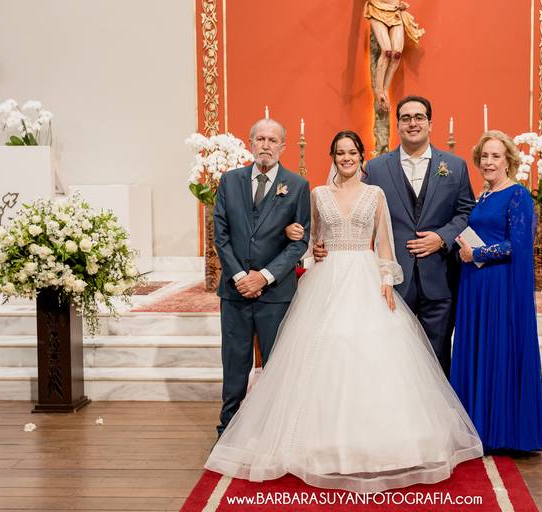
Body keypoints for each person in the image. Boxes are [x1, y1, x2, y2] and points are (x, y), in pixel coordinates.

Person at [205, 131, 482, 493]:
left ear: (361, 156)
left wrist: (387, 279)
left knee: (371, 351)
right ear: (333, 157)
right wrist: (302, 240)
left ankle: (379, 439)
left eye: (352, 152)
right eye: (340, 153)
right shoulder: (318, 194)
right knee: (325, 347)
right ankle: (315, 440)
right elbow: (309, 240)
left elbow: (385, 242)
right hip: (328, 276)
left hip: (366, 276)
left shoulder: (375, 194)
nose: (346, 158)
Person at [316, 96, 475, 375]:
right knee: (390, 361)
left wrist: (441, 237)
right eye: (405, 118)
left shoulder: (455, 166)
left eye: (419, 117)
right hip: (390, 281)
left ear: (430, 123)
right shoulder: (376, 168)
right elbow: (352, 206)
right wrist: (324, 243)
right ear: (398, 124)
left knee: (438, 356)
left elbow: (466, 212)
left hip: (439, 276)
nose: (413, 123)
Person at [452, 130, 542, 453]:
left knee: (497, 350)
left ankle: (501, 432)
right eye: (484, 156)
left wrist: (478, 253)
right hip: (475, 285)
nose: (489, 162)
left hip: (498, 286)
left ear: (508, 161)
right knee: (479, 349)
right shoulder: (484, 195)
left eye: (495, 156)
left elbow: (518, 244)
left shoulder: (517, 194)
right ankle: (478, 427)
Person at [212, 118, 311, 436]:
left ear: (283, 146)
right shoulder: (230, 181)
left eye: (272, 140)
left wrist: (264, 277)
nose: (266, 145)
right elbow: (221, 235)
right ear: (251, 143)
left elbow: (300, 241)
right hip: (235, 291)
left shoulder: (297, 186)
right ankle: (227, 429)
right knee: (234, 362)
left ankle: (274, 433)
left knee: (277, 365)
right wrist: (241, 276)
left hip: (275, 293)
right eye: (260, 139)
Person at [364, 0, 425, 112]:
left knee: (396, 54)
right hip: (378, 8)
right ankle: (379, 91)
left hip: (395, 10)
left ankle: (385, 89)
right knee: (387, 51)